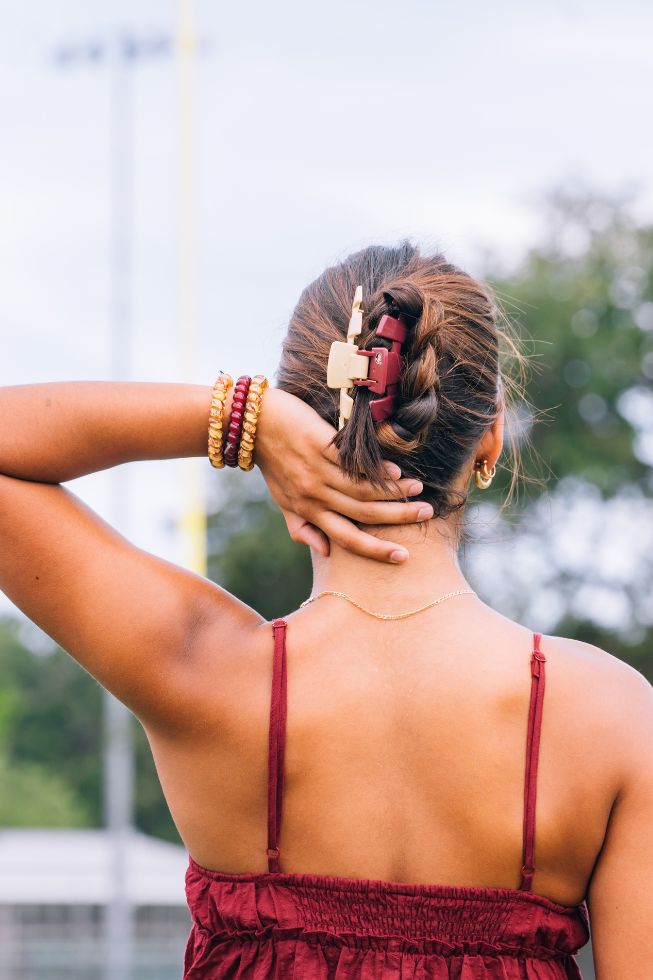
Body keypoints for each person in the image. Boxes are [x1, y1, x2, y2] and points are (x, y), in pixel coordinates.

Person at [0, 242, 651, 979]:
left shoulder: (201, 669)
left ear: (293, 435)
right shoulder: (613, 718)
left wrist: (236, 417)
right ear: (489, 437)